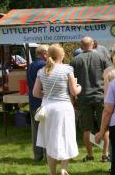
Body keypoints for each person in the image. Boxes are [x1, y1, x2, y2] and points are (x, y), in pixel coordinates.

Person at [33, 44, 81, 175]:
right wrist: (80, 87)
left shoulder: (41, 71)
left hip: (48, 108)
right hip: (64, 108)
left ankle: (52, 172)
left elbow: (36, 93)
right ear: (62, 55)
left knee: (50, 141)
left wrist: (49, 95)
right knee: (66, 138)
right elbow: (74, 91)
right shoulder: (67, 69)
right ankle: (64, 169)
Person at [70, 36, 111, 162]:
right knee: (104, 127)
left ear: (81, 46)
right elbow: (110, 75)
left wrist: (73, 99)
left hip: (84, 97)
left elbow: (71, 82)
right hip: (100, 96)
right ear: (93, 44)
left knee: (86, 128)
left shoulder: (75, 61)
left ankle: (90, 155)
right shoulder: (102, 57)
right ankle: (105, 155)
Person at [27, 44, 48, 162]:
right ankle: (47, 155)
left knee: (35, 130)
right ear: (44, 54)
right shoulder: (44, 65)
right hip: (41, 100)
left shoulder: (30, 66)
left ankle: (37, 155)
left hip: (32, 100)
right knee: (45, 129)